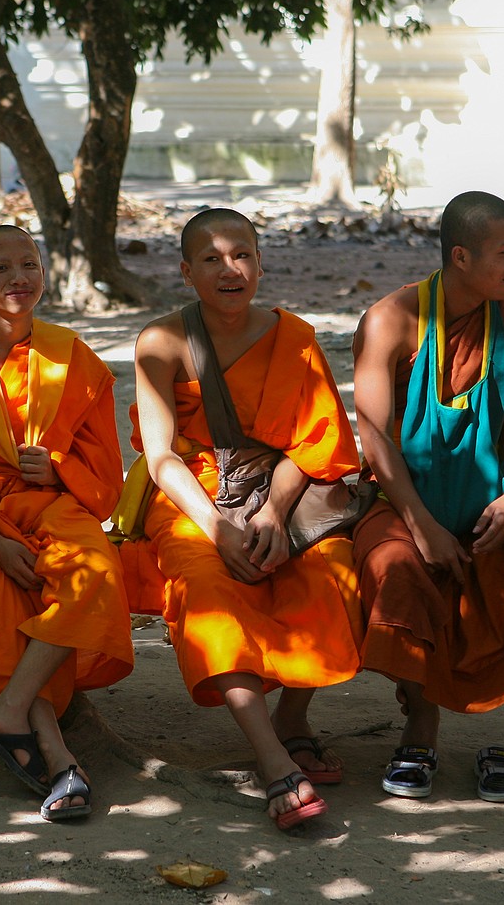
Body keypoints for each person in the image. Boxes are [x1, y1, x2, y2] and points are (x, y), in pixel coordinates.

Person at [129, 208, 363, 831]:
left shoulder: (295, 338)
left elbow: (312, 445)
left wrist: (275, 513)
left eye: (242, 256)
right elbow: (160, 457)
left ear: (259, 265)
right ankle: (273, 758)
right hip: (194, 492)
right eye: (211, 259)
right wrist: (217, 529)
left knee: (331, 568)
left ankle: (293, 718)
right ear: (187, 272)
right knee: (205, 588)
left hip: (281, 490)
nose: (229, 270)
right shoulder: (161, 343)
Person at [350, 191, 504, 803]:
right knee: (397, 565)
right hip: (400, 496)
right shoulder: (391, 320)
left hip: (488, 491)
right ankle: (421, 723)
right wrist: (422, 524)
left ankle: (486, 720)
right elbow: (374, 437)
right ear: (460, 256)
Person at [0, 224, 133, 822]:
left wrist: (59, 467)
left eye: (29, 265)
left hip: (47, 499)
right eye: (1, 269)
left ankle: (8, 712)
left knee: (95, 572)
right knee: (1, 608)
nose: (18, 278)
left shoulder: (69, 354)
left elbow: (102, 463)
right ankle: (57, 754)